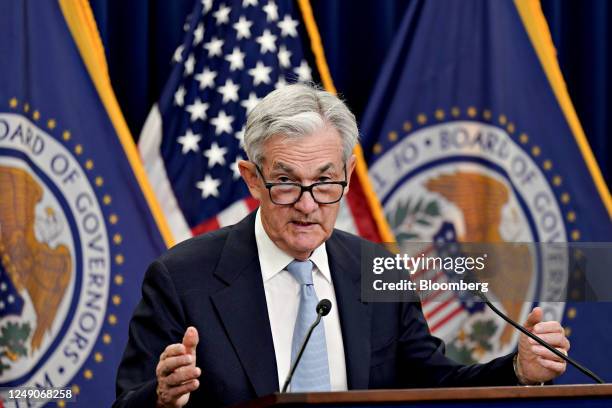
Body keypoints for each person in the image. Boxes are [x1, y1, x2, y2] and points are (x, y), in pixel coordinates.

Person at [113, 84, 570, 408]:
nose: (308, 205)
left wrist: (517, 370)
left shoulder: (376, 266)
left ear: (348, 176)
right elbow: (128, 402)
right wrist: (159, 398)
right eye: (287, 183)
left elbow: (432, 383)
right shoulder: (182, 277)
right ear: (252, 178)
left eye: (326, 182)